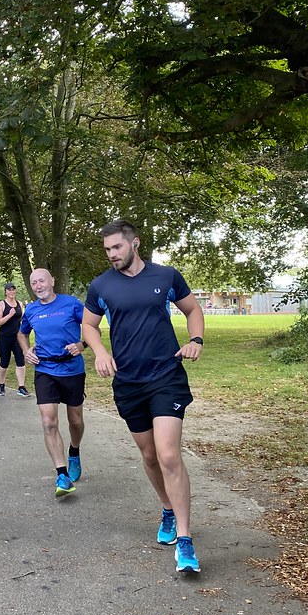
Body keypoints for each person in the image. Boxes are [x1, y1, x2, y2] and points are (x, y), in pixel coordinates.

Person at [82, 219, 205, 575]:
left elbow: (192, 309)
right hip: (128, 382)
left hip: (166, 376)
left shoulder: (166, 276)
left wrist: (195, 340)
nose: (111, 254)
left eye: (117, 247)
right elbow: (88, 325)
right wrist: (100, 352)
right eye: (107, 249)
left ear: (134, 243)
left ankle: (185, 541)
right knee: (150, 455)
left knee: (168, 454)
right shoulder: (100, 286)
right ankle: (168, 509)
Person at [17, 268, 87, 498]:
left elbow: (91, 327)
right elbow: (21, 333)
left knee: (75, 420)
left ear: (52, 281)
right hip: (45, 369)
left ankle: (74, 451)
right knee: (48, 422)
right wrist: (26, 351)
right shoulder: (31, 310)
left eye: (42, 281)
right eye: (34, 283)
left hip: (72, 369)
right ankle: (61, 474)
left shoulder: (71, 304)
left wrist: (82, 345)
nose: (38, 286)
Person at [0, 282, 29, 397]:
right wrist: (9, 315)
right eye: (9, 290)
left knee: (20, 361)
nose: (11, 292)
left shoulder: (19, 303)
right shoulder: (2, 304)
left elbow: (21, 320)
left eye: (13, 290)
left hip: (17, 337)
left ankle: (21, 387)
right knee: (5, 362)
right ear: (5, 292)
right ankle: (1, 384)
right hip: (4, 337)